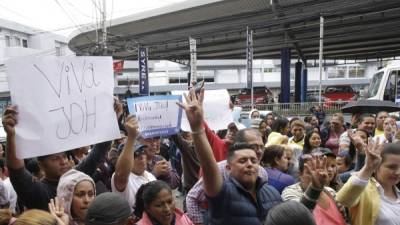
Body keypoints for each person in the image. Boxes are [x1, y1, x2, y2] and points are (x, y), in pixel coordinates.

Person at [178, 88, 282, 225]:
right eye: (243, 160)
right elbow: (208, 166)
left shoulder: (271, 191)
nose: (250, 162)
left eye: (254, 159)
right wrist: (197, 128)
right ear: (229, 167)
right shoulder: (223, 193)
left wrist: (313, 191)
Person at [2, 105, 115, 210]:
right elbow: (17, 171)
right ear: (41, 164)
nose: (63, 162)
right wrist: (11, 135)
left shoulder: (76, 176)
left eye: (64, 156)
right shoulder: (38, 191)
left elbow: (98, 152)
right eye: (55, 158)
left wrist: (110, 115)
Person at [185, 128, 269, 225]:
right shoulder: (220, 170)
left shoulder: (263, 174)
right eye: (253, 146)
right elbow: (192, 198)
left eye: (261, 147)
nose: (259, 151)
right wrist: (200, 222)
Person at [336, 142, 400, 225]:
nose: (398, 172)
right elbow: (343, 200)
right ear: (376, 166)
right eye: (391, 167)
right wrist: (368, 167)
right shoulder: (362, 188)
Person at [282, 154, 347, 225]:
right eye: (310, 172)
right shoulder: (290, 192)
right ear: (300, 174)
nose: (316, 175)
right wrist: (314, 188)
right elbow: (299, 216)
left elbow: (344, 218)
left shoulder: (330, 192)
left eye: (319, 171)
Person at [112, 116, 156, 211]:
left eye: (142, 152)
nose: (141, 156)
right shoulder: (124, 179)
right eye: (135, 154)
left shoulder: (150, 176)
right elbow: (121, 173)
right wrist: (131, 137)